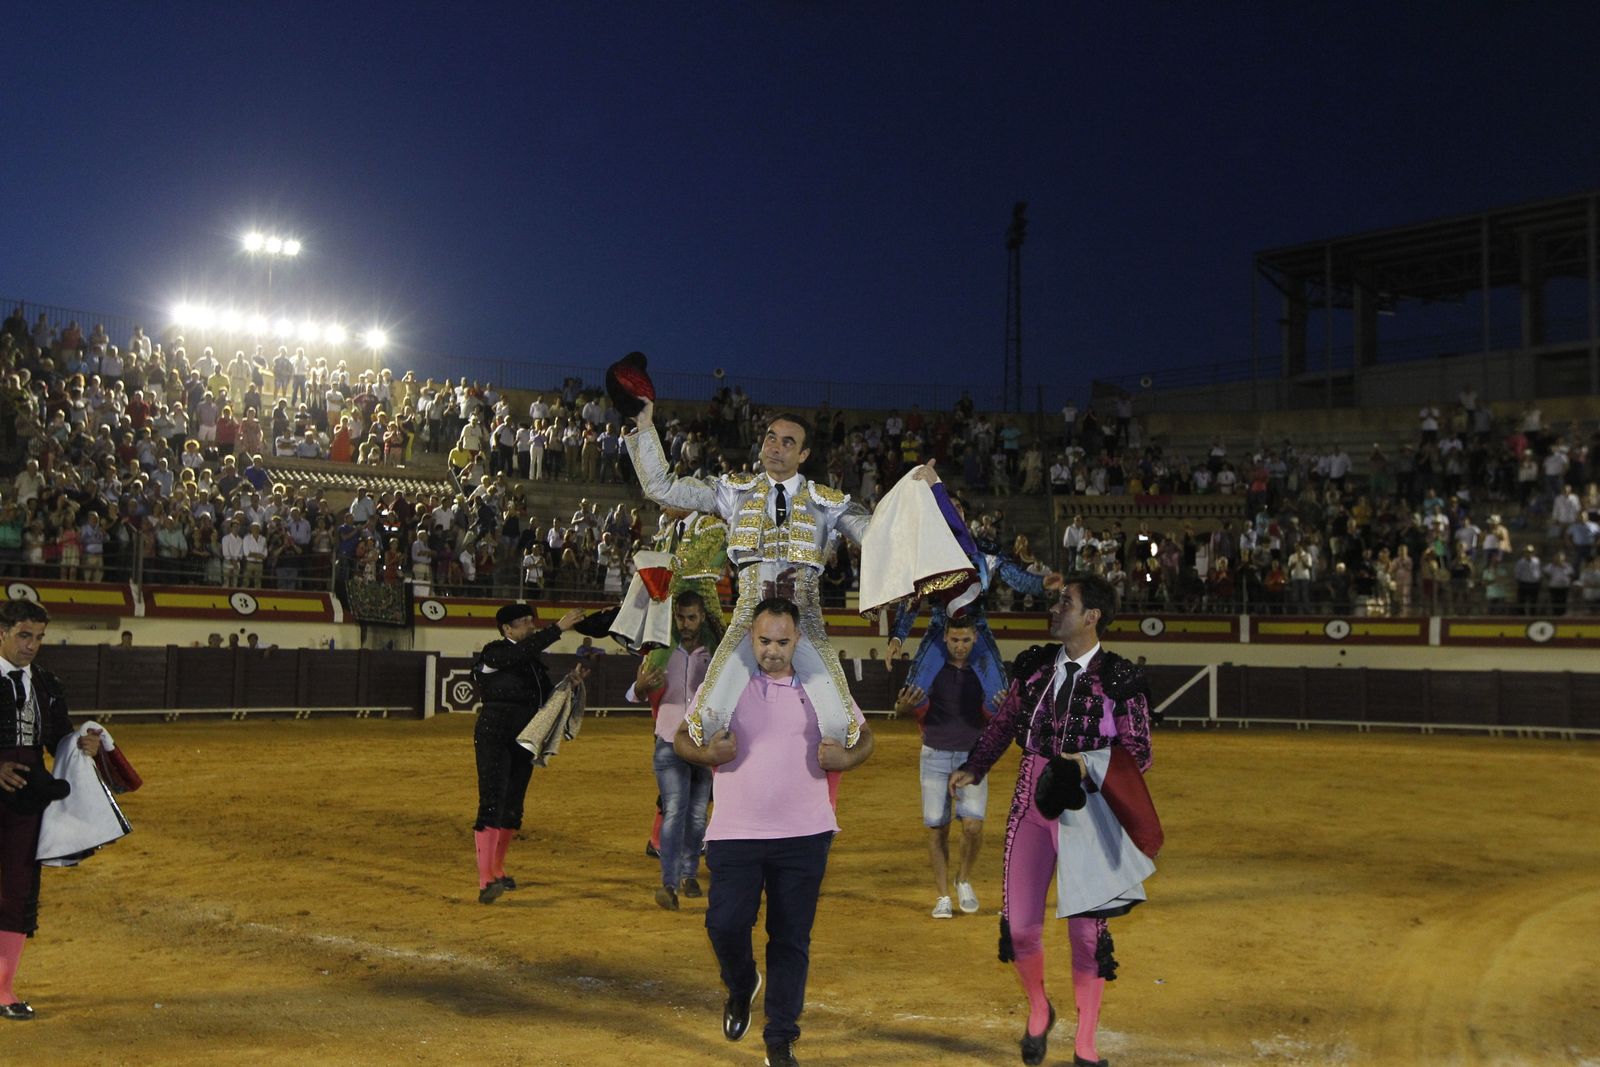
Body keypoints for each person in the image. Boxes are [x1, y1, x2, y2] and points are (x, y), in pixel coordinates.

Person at [950, 575, 1158, 1067]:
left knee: (1087, 935)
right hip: (1031, 801)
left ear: (1092, 617)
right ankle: (1040, 1009)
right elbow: (1004, 724)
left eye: (1067, 601)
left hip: (1091, 810)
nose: (1055, 605)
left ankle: (1086, 1045)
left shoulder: (1120, 679)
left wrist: (1086, 766)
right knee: (1020, 927)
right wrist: (975, 764)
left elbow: (1140, 752)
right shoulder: (1037, 667)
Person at [629, 402, 900, 753]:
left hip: (805, 620)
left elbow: (877, 535)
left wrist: (917, 495)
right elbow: (662, 489)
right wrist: (645, 427)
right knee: (707, 720)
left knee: (838, 724)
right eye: (771, 438)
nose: (776, 446)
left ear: (804, 454)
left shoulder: (827, 502)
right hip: (749, 617)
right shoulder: (732, 491)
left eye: (788, 442)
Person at [672, 598, 874, 1067]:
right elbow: (683, 738)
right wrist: (708, 757)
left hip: (805, 835)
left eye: (783, 642)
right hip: (734, 833)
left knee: (790, 939)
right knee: (723, 925)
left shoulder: (823, 686)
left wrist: (846, 759)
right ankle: (742, 984)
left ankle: (780, 1038)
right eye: (764, 640)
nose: (773, 651)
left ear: (798, 640)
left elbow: (864, 737)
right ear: (750, 637)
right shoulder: (726, 685)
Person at [0, 599, 103, 1020]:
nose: (32, 645)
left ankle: (2, 990)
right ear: (1, 632)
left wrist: (81, 744)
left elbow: (57, 738)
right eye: (25, 635)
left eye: (39, 637)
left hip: (26, 799)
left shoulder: (46, 683)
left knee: (17, 889)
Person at [470, 603, 587, 904]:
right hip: (494, 734)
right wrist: (557, 629)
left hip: (526, 737)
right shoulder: (494, 652)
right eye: (523, 623)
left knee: (512, 805)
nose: (530, 626)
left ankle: (497, 869)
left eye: (530, 621)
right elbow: (518, 654)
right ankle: (485, 882)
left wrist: (568, 685)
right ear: (507, 630)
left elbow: (546, 696)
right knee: (492, 801)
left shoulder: (532, 661)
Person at [894, 617, 989, 920]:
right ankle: (943, 895)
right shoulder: (930, 671)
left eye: (966, 640)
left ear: (975, 639)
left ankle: (963, 879)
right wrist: (903, 708)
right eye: (955, 640)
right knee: (938, 828)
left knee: (972, 826)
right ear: (945, 639)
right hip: (935, 754)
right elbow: (902, 707)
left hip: (972, 757)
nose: (960, 646)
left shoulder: (985, 672)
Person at [630, 591, 718, 910]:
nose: (685, 623)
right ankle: (669, 882)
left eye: (691, 617)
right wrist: (640, 687)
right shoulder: (661, 652)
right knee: (675, 810)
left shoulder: (714, 653)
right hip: (668, 740)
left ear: (702, 618)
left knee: (696, 815)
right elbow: (635, 691)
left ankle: (688, 874)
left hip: (701, 743)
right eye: (680, 617)